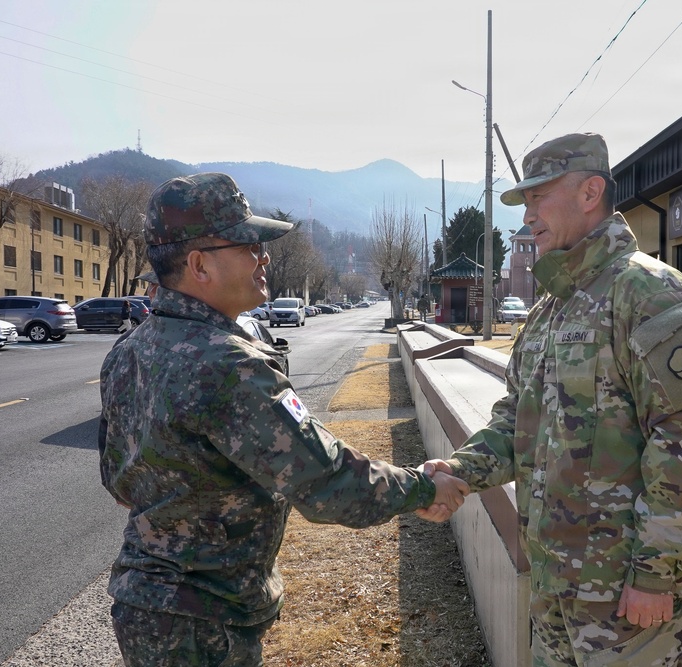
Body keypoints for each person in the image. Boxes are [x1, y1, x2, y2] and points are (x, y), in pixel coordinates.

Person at [99, 172, 468, 667]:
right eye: (249, 246)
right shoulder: (226, 365)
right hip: (202, 621)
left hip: (149, 605)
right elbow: (327, 482)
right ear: (198, 264)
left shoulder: (128, 350)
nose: (264, 258)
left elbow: (117, 480)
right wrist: (423, 487)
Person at [421, 134, 682, 666]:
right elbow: (517, 421)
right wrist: (459, 471)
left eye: (539, 197)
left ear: (591, 192)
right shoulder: (551, 308)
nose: (528, 217)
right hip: (554, 587)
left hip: (626, 600)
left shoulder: (646, 292)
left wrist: (657, 573)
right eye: (525, 203)